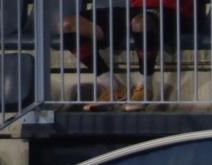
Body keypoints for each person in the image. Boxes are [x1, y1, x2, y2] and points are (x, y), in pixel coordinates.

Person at [56, 0, 193, 111]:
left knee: (141, 22)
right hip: (135, 9)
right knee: (67, 25)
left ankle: (145, 87)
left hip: (170, 11)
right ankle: (112, 87)